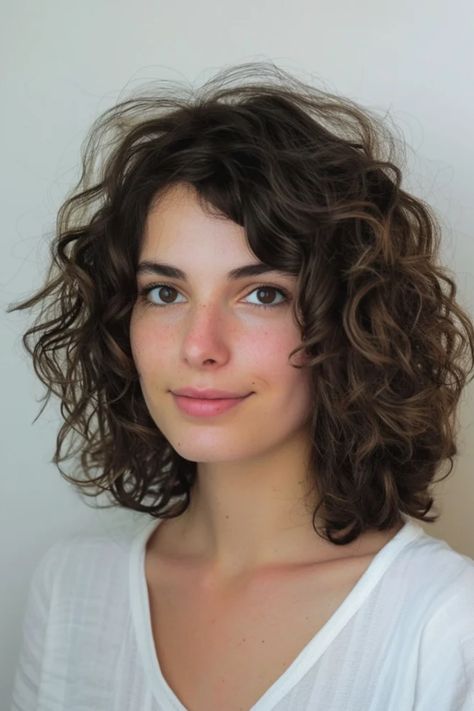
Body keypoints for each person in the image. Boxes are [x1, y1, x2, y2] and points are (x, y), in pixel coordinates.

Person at [9, 61, 474, 710]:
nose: (199, 345)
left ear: (350, 321)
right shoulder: (70, 588)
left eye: (261, 293)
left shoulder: (444, 624)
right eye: (165, 291)